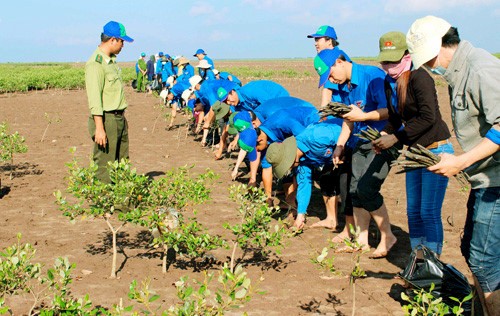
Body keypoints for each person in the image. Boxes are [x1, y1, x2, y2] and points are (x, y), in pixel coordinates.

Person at [406, 15, 500, 315]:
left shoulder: (480, 69)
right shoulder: (457, 72)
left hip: (496, 180)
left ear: (441, 45)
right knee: (471, 250)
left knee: (484, 261)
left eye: (428, 58)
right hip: (483, 178)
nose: (429, 66)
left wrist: (459, 162)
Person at [372, 31, 453, 256]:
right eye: (386, 62)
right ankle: (418, 260)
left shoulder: (420, 77)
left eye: (394, 61)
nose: (389, 66)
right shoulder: (391, 83)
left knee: (428, 211)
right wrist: (382, 136)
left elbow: (428, 117)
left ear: (407, 56)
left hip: (436, 149)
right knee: (413, 212)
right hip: (415, 152)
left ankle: (432, 263)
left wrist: (396, 138)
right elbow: (395, 119)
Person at [315, 48, 398, 257]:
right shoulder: (346, 87)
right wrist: (340, 146)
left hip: (383, 139)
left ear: (340, 62)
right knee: (354, 190)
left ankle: (388, 235)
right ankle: (362, 240)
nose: (331, 79)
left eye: (331, 73)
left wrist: (364, 116)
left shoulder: (373, 78)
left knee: (367, 188)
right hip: (361, 141)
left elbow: (392, 110)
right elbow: (348, 119)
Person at [266, 120, 342, 229]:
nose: (288, 169)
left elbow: (346, 133)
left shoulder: (317, 136)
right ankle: (331, 220)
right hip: (331, 161)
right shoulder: (301, 162)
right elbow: (304, 184)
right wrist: (300, 215)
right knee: (326, 180)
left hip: (354, 147)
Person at [85, 20, 133, 184]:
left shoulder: (110, 61)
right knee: (105, 166)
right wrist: (99, 128)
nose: (123, 45)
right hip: (106, 119)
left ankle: (120, 206)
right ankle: (103, 207)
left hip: (118, 118)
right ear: (112, 40)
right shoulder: (95, 64)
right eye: (122, 41)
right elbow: (95, 99)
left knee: (121, 162)